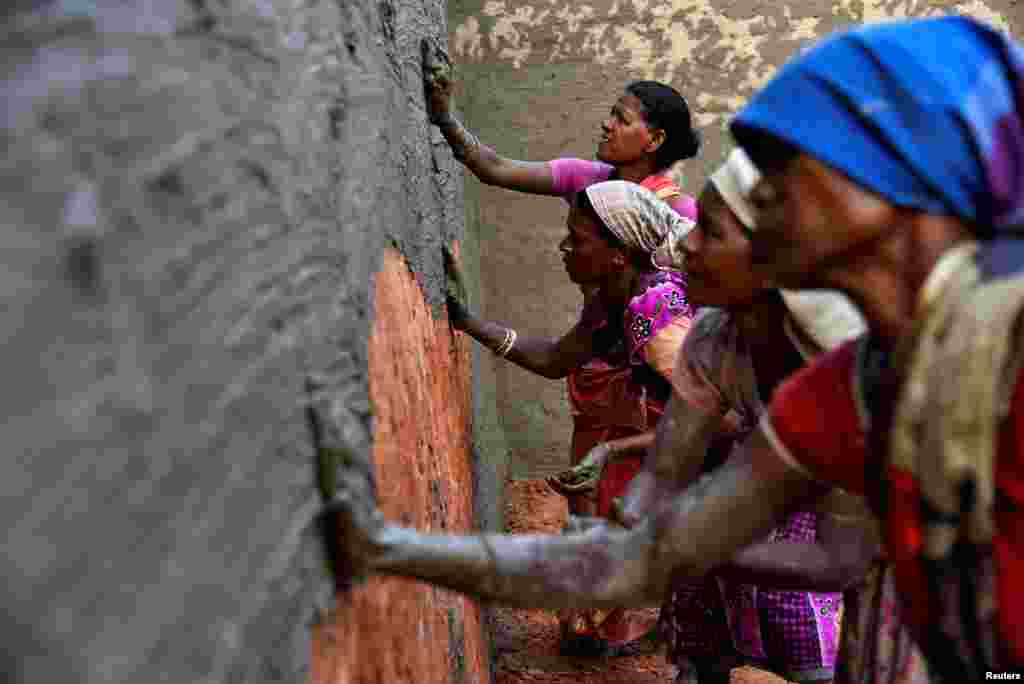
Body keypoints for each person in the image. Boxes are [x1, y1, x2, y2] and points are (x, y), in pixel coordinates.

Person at [332, 17, 1023, 679]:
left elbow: (823, 558)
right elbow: (648, 556)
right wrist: (387, 544)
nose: (763, 187)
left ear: (903, 183)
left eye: (794, 162)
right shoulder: (848, 388)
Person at [554, 149, 863, 684]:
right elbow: (670, 461)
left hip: (809, 534)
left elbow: (837, 559)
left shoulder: (846, 362)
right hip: (735, 510)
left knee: (813, 647)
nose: (685, 242)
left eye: (711, 232)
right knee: (700, 650)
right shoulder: (715, 337)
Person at [445, 179, 694, 654]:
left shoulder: (655, 311)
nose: (565, 247)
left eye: (578, 239)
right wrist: (469, 322)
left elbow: (716, 413)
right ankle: (618, 626)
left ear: (619, 253)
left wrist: (612, 449)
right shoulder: (611, 300)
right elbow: (558, 358)